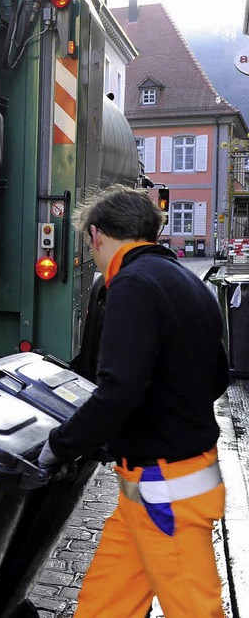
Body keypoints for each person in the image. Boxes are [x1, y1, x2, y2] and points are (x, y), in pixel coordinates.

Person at [37, 185, 229, 618]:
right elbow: (216, 376)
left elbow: (119, 389)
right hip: (149, 491)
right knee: (103, 607)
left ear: (97, 236)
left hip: (165, 492)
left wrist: (62, 444)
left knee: (195, 610)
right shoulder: (184, 279)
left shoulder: (132, 284)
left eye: (90, 245)